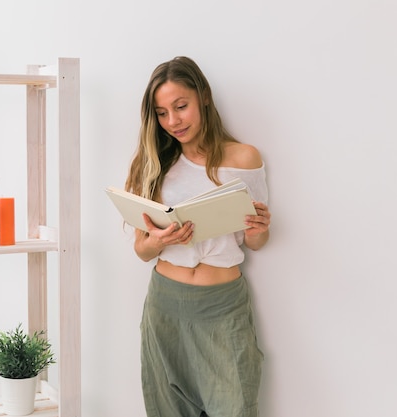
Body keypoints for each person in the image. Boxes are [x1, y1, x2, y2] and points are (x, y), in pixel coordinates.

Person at [124, 56, 271, 417]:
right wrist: (158, 242)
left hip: (221, 306)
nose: (172, 121)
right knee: (166, 408)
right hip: (165, 304)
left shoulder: (244, 158)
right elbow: (142, 250)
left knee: (234, 406)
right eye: (161, 113)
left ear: (203, 97)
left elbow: (254, 242)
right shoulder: (156, 163)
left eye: (180, 106)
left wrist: (259, 230)